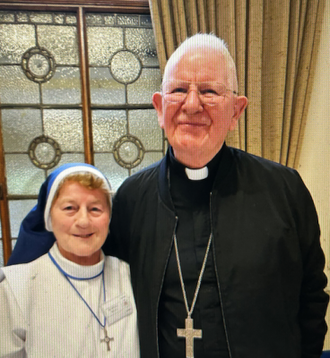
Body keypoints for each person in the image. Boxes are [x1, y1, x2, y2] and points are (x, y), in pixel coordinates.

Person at [7, 34, 329, 358]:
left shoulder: (284, 189)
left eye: (209, 91)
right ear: (160, 108)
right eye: (178, 90)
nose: (192, 105)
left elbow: (312, 294)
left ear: (236, 111)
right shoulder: (131, 200)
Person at [1, 163, 139, 357]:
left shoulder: (132, 276)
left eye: (95, 209)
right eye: (69, 208)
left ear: (109, 218)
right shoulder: (15, 289)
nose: (83, 221)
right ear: (49, 218)